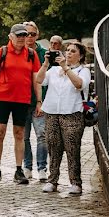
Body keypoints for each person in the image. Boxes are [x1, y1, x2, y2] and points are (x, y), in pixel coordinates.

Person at [0, 23, 41, 184]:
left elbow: (36, 79)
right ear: (10, 36)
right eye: (19, 35)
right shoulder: (0, 53)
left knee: (19, 134)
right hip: (2, 98)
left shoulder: (31, 54)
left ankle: (19, 170)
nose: (22, 38)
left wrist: (39, 101)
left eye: (25, 35)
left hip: (22, 99)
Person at [36, 40, 91, 195]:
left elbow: (79, 84)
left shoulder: (82, 71)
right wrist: (46, 63)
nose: (68, 53)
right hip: (52, 113)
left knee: (72, 149)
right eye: (68, 50)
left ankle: (75, 183)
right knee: (53, 148)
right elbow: (39, 80)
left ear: (80, 56)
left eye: (73, 51)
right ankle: (52, 180)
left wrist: (65, 67)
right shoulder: (53, 70)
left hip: (72, 113)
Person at [22, 21, 47, 181]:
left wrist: (43, 101)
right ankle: (27, 166)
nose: (29, 37)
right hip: (22, 101)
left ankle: (42, 168)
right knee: (23, 137)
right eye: (26, 34)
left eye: (32, 34)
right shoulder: (17, 52)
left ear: (37, 35)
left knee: (41, 135)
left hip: (40, 101)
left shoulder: (44, 53)